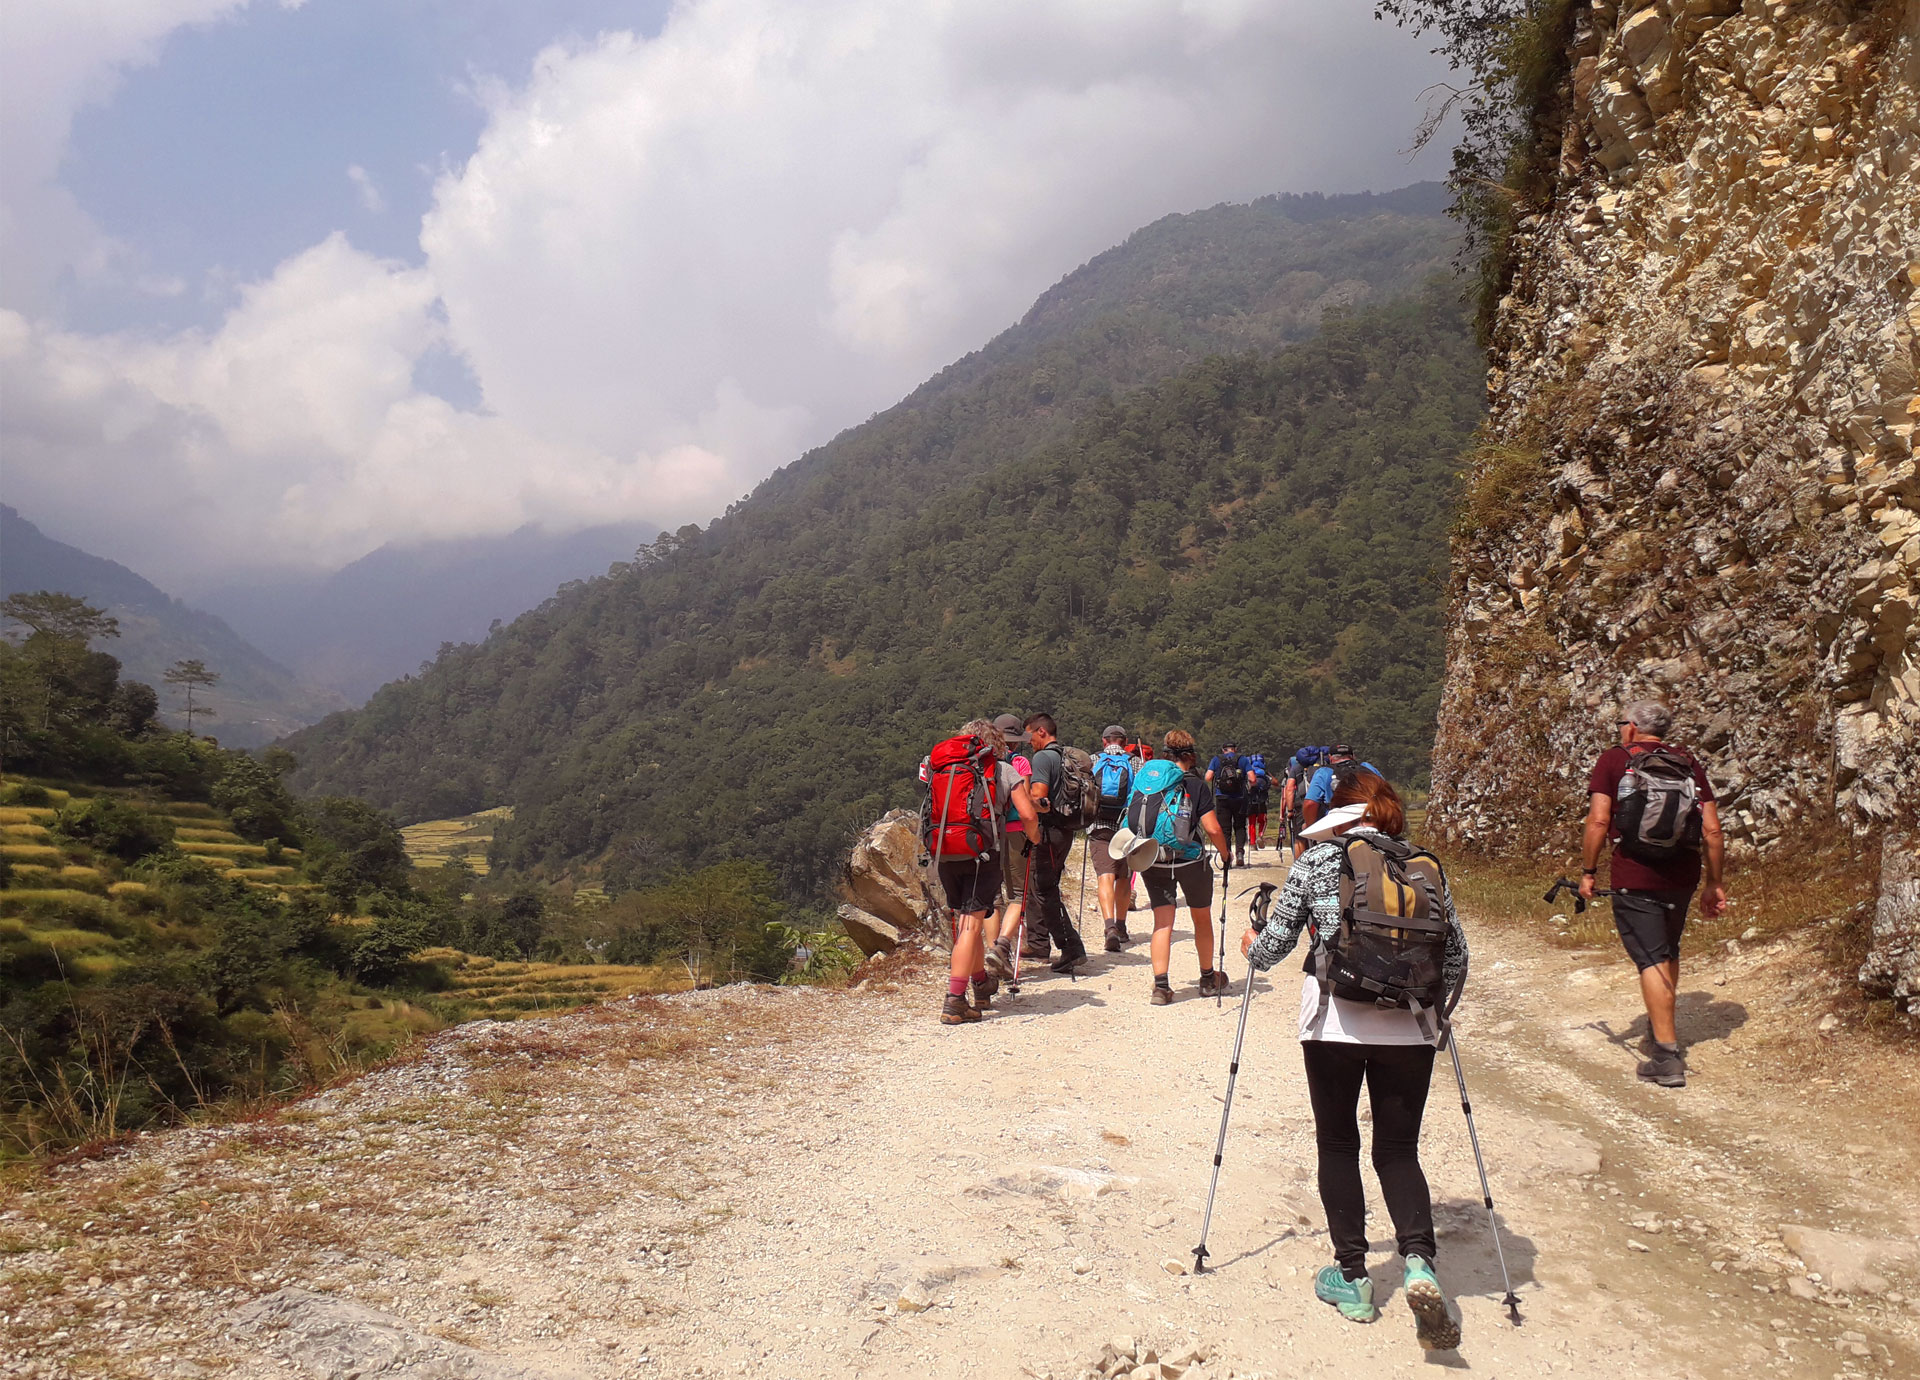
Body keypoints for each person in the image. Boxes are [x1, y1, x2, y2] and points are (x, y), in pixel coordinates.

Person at [1239, 769, 1465, 1351]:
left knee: (1338, 1143)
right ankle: (1418, 1264)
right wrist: (1436, 1018)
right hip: (1412, 1028)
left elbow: (1274, 947)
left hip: (1334, 1023)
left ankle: (1355, 1279)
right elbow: (1456, 956)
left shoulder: (1318, 860)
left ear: (1340, 812)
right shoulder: (1424, 865)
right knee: (1398, 1149)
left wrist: (1252, 945)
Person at [1580, 700, 1727, 1087]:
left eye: (1620, 723)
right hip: (1682, 874)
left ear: (1631, 728)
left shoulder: (1615, 760)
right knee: (1667, 950)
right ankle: (1661, 1027)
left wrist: (1588, 872)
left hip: (1636, 873)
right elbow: (1712, 830)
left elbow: (1598, 821)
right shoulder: (1687, 762)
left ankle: (1665, 1055)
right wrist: (1714, 882)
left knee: (1650, 957)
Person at [926, 719, 1041, 1024]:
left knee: (965, 918)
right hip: (982, 853)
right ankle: (954, 1000)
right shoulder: (1001, 769)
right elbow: (1028, 812)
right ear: (995, 742)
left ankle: (980, 983)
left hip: (945, 850)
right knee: (971, 925)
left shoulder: (943, 767)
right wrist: (1035, 837)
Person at [1132, 730, 1233, 1004]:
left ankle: (1161, 987)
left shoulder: (1150, 782)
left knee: (1162, 923)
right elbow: (1212, 827)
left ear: (1165, 753)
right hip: (1190, 861)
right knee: (1201, 919)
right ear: (1191, 755)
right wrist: (1225, 854)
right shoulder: (1196, 784)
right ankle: (1207, 978)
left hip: (1154, 858)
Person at [1023, 713, 1089, 973]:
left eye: (1030, 735)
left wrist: (1020, 795)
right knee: (1039, 884)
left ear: (1041, 731)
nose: (1029, 742)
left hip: (1049, 831)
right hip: (1066, 829)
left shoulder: (1042, 757)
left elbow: (1039, 798)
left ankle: (1070, 947)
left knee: (1044, 889)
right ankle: (1038, 943)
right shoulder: (1063, 755)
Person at [1088, 724, 1137, 952]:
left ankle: (1109, 928)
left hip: (1098, 825)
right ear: (1124, 742)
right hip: (1126, 828)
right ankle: (1121, 925)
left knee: (1105, 876)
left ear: (1104, 741)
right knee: (1123, 877)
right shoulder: (1136, 762)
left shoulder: (1092, 760)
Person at [1300, 744, 1378, 855]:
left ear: (1330, 757)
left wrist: (1310, 825)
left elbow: (1310, 804)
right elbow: (1388, 794)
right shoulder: (1368, 768)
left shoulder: (1324, 772)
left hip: (1338, 825)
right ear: (1352, 756)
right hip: (1372, 820)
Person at [1206, 741, 1251, 867]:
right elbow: (1252, 779)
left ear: (1223, 749)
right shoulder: (1243, 759)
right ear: (1235, 749)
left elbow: (1208, 777)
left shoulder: (1216, 759)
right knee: (1240, 826)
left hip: (1222, 797)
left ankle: (1226, 855)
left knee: (1225, 828)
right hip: (1239, 798)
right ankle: (1240, 853)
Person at [1245, 751, 1272, 852]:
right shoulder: (1264, 772)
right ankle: (1260, 836)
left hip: (1251, 801)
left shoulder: (1248, 771)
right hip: (1262, 800)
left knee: (1251, 823)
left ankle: (1252, 843)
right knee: (1263, 820)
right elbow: (1274, 782)